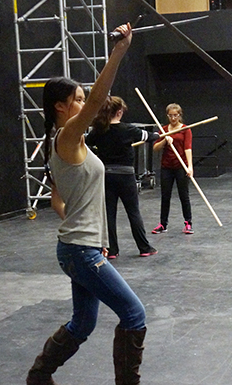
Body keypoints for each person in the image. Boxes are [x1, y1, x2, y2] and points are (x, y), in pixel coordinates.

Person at [26, 23, 148, 385]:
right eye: (77, 99)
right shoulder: (67, 136)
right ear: (61, 106)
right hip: (80, 250)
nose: (84, 104)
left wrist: (86, 231)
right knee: (134, 314)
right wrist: (119, 52)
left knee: (83, 323)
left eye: (82, 98)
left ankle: (39, 376)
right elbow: (98, 100)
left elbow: (57, 199)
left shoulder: (63, 142)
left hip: (79, 246)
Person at [85, 96, 160, 259]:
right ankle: (144, 247)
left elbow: (86, 142)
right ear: (119, 112)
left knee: (109, 214)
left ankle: (111, 250)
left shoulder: (99, 130)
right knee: (133, 212)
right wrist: (159, 135)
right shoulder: (128, 129)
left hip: (106, 176)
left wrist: (99, 150)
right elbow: (149, 137)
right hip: (126, 177)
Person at [152, 103, 194, 235]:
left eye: (175, 115)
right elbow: (155, 148)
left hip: (181, 166)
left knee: (184, 195)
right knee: (165, 196)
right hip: (167, 167)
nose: (173, 118)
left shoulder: (185, 129)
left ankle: (188, 223)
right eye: (170, 115)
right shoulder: (163, 130)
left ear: (180, 115)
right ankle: (163, 224)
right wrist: (165, 140)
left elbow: (188, 148)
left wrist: (190, 167)